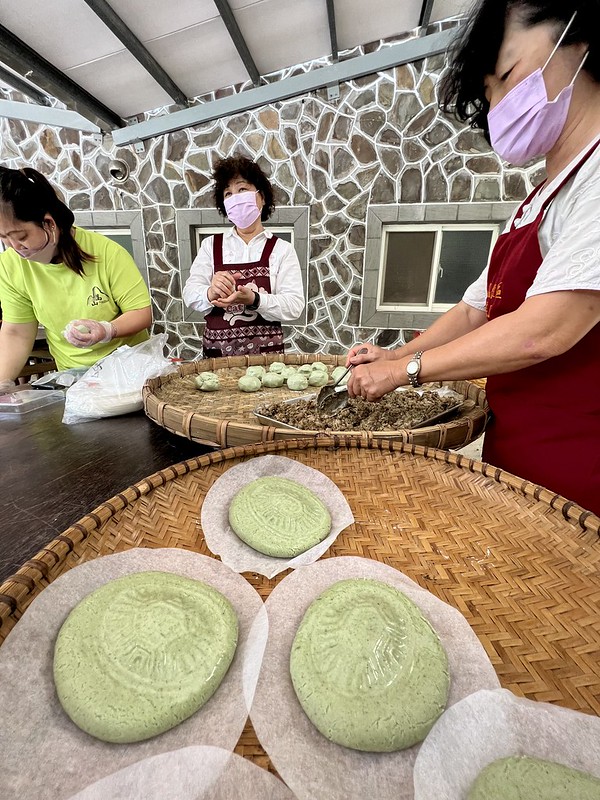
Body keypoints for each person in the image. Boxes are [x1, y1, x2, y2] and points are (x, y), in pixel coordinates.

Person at [346, 0, 600, 514]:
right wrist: (394, 355)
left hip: (580, 477)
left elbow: (545, 329)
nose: (501, 103)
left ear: (579, 40)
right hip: (515, 460)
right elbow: (473, 310)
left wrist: (407, 372)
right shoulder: (536, 201)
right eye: (490, 94)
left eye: (507, 75)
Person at [0, 166, 152, 392]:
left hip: (129, 375)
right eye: (4, 238)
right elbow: (17, 332)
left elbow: (142, 313)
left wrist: (107, 330)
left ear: (49, 223)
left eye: (21, 237)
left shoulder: (107, 253)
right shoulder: (11, 265)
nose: (15, 248)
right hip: (74, 382)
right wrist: (2, 382)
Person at [182, 155, 305, 357]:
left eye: (242, 189)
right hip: (218, 360)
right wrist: (210, 292)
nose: (235, 198)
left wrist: (255, 299)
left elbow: (294, 306)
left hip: (266, 360)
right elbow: (189, 294)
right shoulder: (210, 246)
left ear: (262, 197)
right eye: (228, 193)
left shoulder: (281, 250)